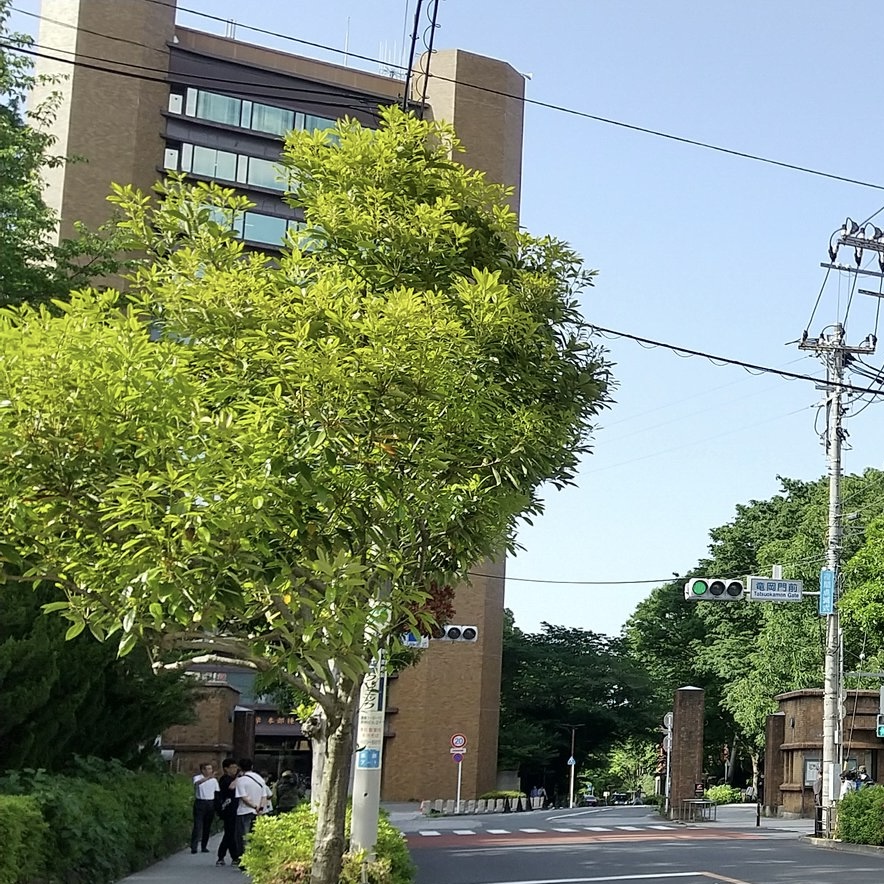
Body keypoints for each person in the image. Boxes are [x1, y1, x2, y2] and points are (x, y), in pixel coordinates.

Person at [232, 758, 267, 867]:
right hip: (259, 812)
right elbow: (264, 795)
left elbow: (243, 797)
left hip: (244, 811)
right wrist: (260, 808)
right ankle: (256, 860)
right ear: (252, 766)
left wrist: (254, 806)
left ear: (240, 768)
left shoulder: (241, 780)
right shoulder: (260, 778)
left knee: (243, 837)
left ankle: (245, 861)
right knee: (256, 836)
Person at [215, 758, 239, 867]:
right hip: (227, 810)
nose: (235, 770)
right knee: (230, 834)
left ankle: (229, 856)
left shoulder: (233, 778)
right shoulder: (225, 779)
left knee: (230, 834)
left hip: (234, 809)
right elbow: (231, 787)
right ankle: (226, 856)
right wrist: (240, 777)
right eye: (233, 767)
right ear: (226, 769)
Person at [190, 762, 218, 854]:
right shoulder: (198, 777)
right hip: (200, 802)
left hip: (210, 802)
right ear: (203, 770)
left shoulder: (214, 781)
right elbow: (197, 783)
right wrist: (209, 778)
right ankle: (194, 846)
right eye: (208, 769)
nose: (210, 771)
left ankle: (204, 846)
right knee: (198, 825)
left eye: (211, 769)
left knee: (207, 826)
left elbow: (216, 792)